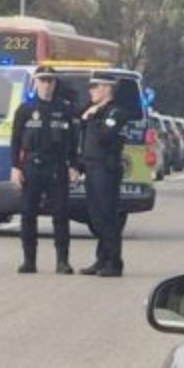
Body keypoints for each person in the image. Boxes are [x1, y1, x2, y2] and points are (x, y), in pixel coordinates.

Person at [7, 67, 76, 274]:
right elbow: (15, 141)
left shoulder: (65, 109)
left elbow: (73, 141)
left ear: (55, 84)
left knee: (61, 215)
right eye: (43, 81)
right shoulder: (25, 110)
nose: (46, 85)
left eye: (50, 81)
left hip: (56, 166)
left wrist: (74, 165)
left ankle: (62, 261)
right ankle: (29, 261)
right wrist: (15, 167)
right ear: (36, 83)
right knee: (28, 214)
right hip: (31, 167)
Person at [76, 74, 131, 278]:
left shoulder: (116, 112)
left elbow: (106, 136)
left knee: (108, 217)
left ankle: (114, 262)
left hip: (106, 169)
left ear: (108, 88)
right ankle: (102, 259)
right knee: (96, 217)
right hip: (91, 167)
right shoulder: (93, 110)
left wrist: (93, 116)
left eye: (95, 87)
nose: (91, 91)